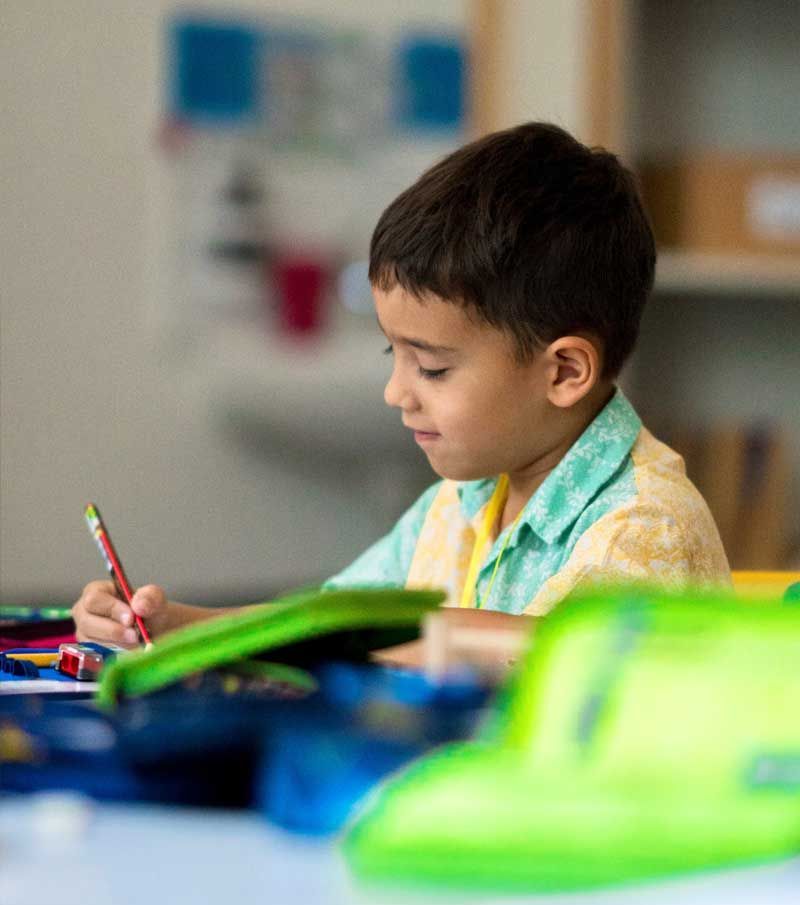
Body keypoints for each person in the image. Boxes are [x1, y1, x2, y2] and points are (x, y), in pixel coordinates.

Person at [72, 122, 730, 649]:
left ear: (563, 372)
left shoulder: (645, 525)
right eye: (396, 354)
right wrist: (176, 627)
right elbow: (328, 623)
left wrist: (383, 643)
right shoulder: (463, 500)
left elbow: (554, 655)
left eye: (433, 368)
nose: (397, 392)